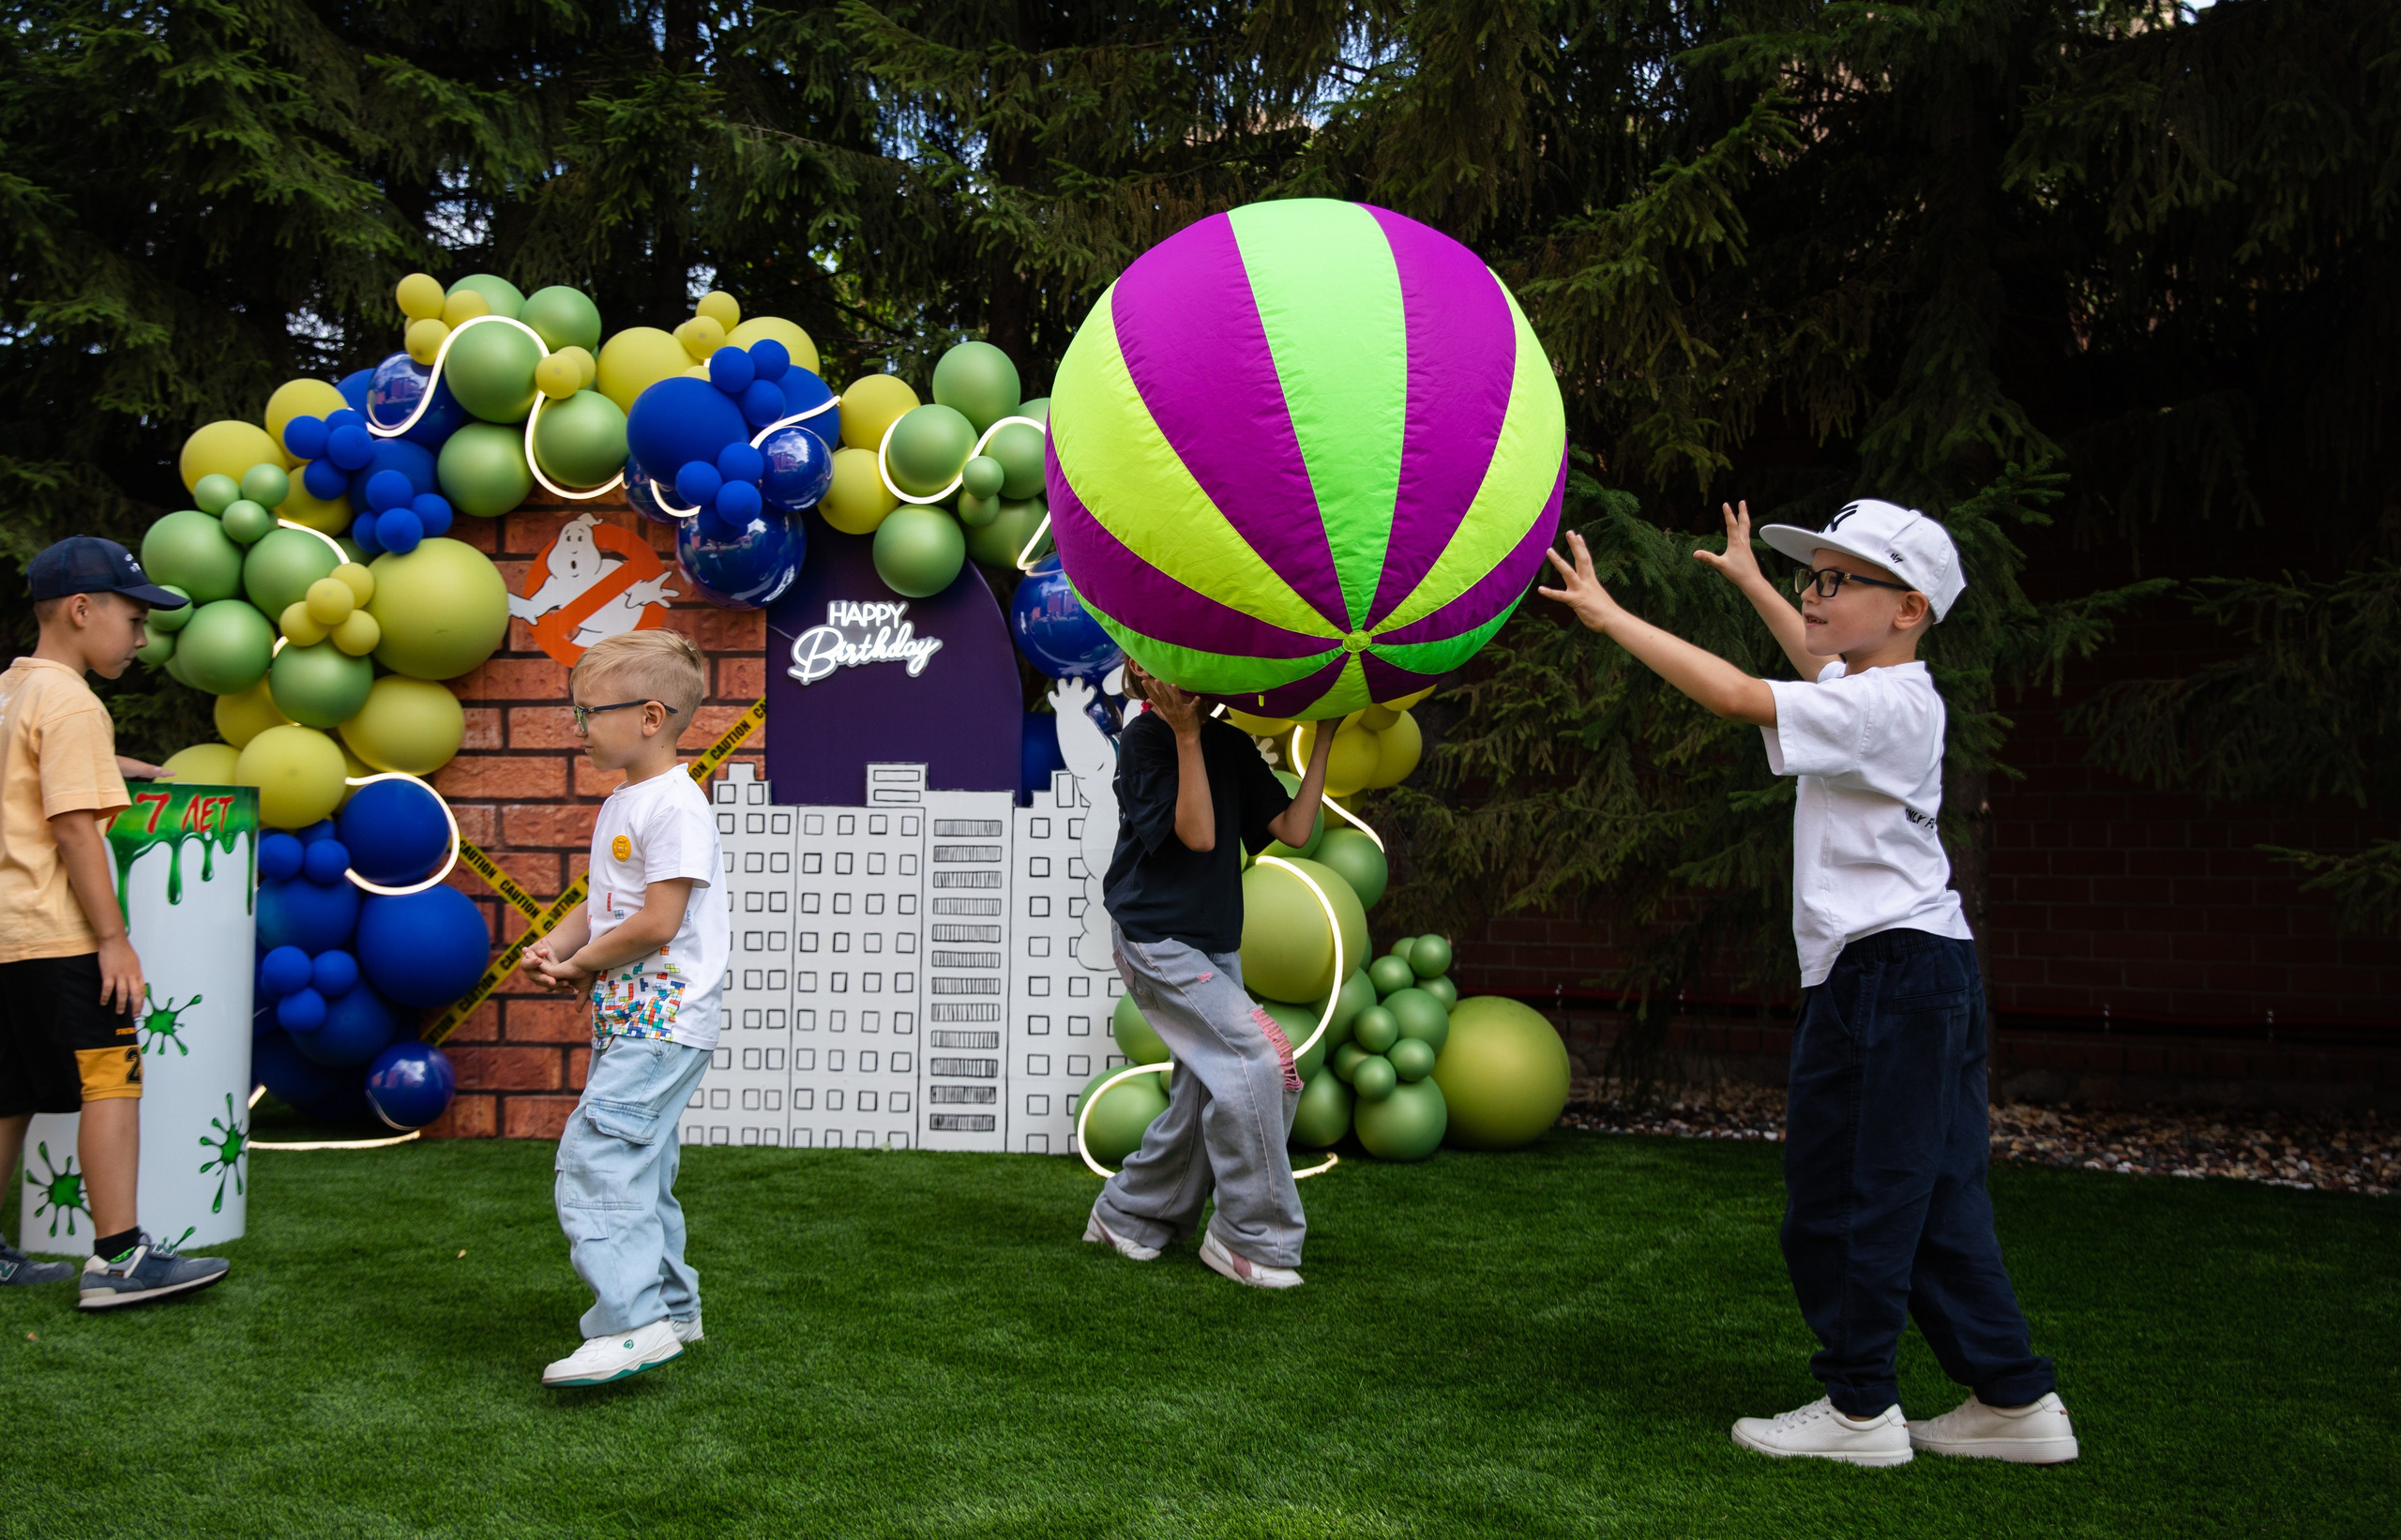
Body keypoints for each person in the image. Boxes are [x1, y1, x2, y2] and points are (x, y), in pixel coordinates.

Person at [1539, 500, 2076, 1467]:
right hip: (1927, 969)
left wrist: (1612, 618)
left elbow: (1747, 696)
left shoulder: (1880, 704)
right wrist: (1751, 582)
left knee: (1842, 1196)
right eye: (1809, 577)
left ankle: (1859, 1410)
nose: (1811, 594)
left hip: (1884, 978)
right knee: (1938, 1198)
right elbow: (1810, 668)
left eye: (1836, 581)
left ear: (1909, 608)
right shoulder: (1885, 694)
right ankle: (2013, 1398)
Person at [0, 536, 231, 1308]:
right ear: (80, 610)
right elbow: (71, 826)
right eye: (133, 620)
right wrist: (113, 937)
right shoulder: (72, 704)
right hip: (61, 935)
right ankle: (119, 1258)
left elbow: (26, 784)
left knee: (8, 1092)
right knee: (111, 1081)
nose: (141, 639)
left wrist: (110, 764)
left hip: (7, 935)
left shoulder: (15, 693)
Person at [1083, 659, 1336, 1289]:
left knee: (1205, 1087)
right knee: (1260, 1063)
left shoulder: (1228, 743)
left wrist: (1326, 736)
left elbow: (1295, 830)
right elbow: (1197, 836)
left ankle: (1130, 1217)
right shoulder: (1144, 739)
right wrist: (1187, 734)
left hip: (1212, 941)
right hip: (1155, 938)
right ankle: (1249, 1240)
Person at [521, 628, 725, 1387]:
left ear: (648, 716)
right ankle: (673, 1311)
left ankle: (632, 1325)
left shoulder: (675, 805)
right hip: (635, 1018)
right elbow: (608, 907)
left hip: (662, 1023)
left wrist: (580, 964)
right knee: (639, 1167)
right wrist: (558, 949)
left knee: (597, 1159)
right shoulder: (628, 800)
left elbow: (657, 923)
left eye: (587, 713)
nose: (577, 727)